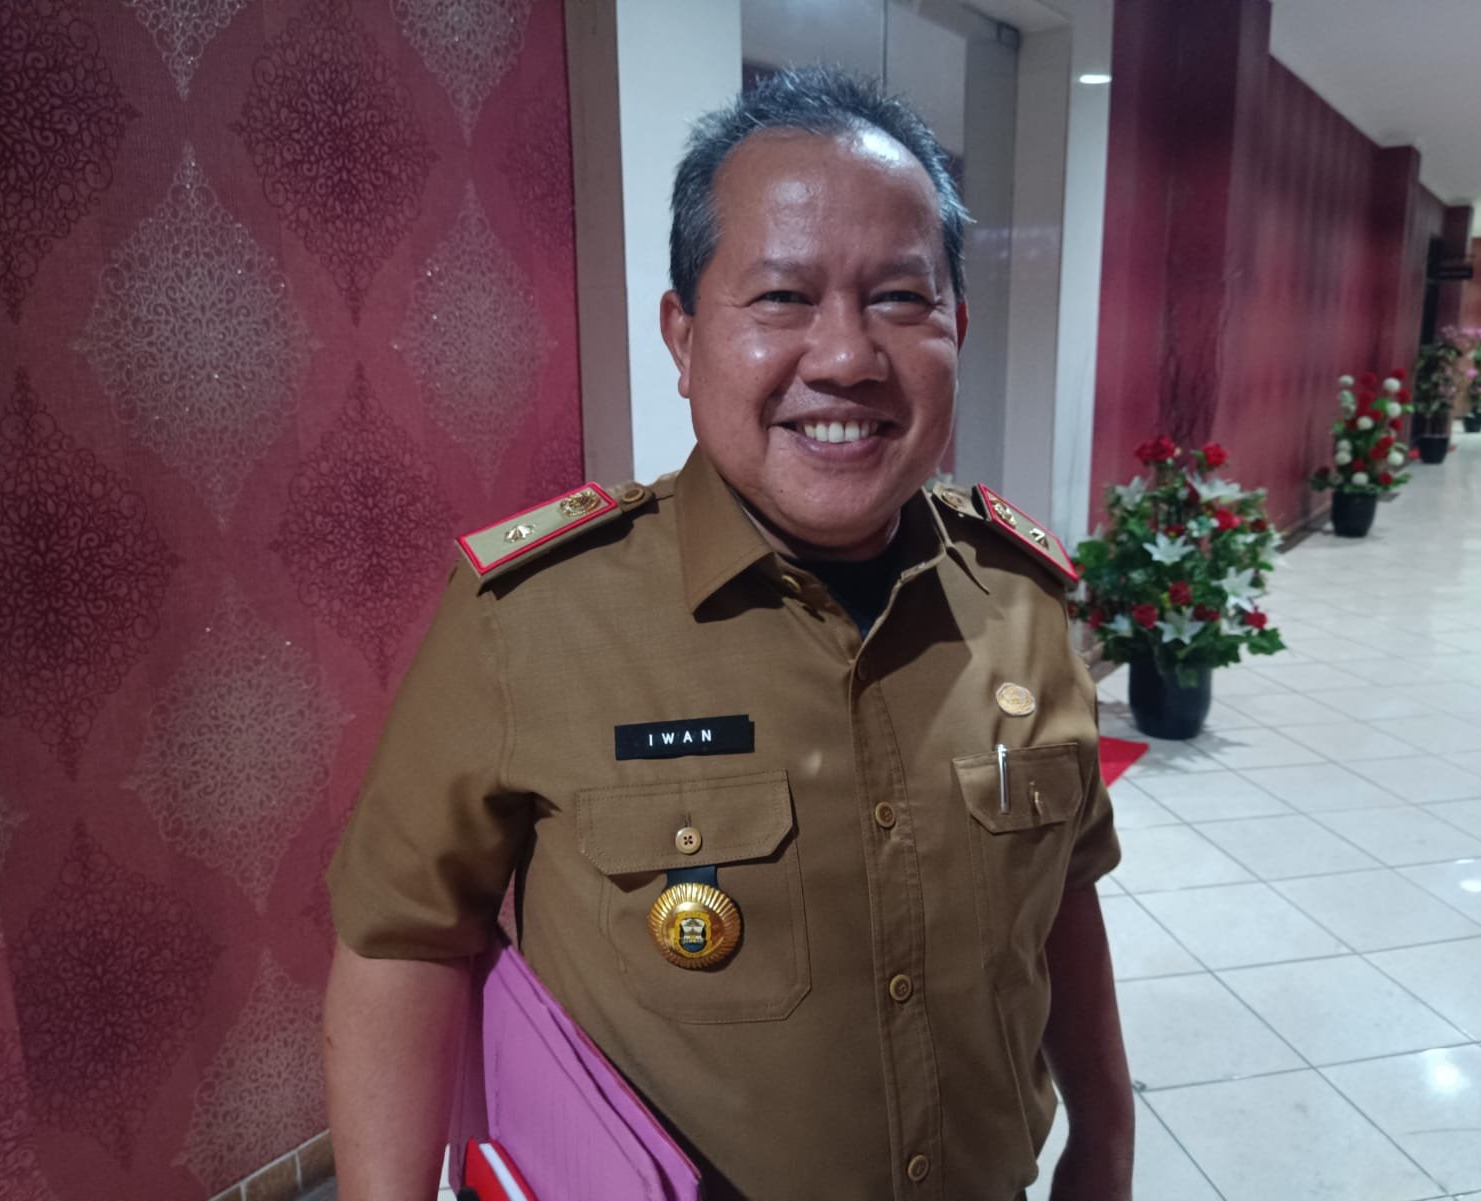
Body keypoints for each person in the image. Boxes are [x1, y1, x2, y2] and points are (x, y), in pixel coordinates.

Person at [323, 67, 1133, 1201]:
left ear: (958, 325)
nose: (845, 357)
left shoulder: (1023, 597)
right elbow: (403, 940)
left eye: (901, 298)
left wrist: (1106, 1133)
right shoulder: (535, 617)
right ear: (684, 335)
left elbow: (1064, 895)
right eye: (782, 297)